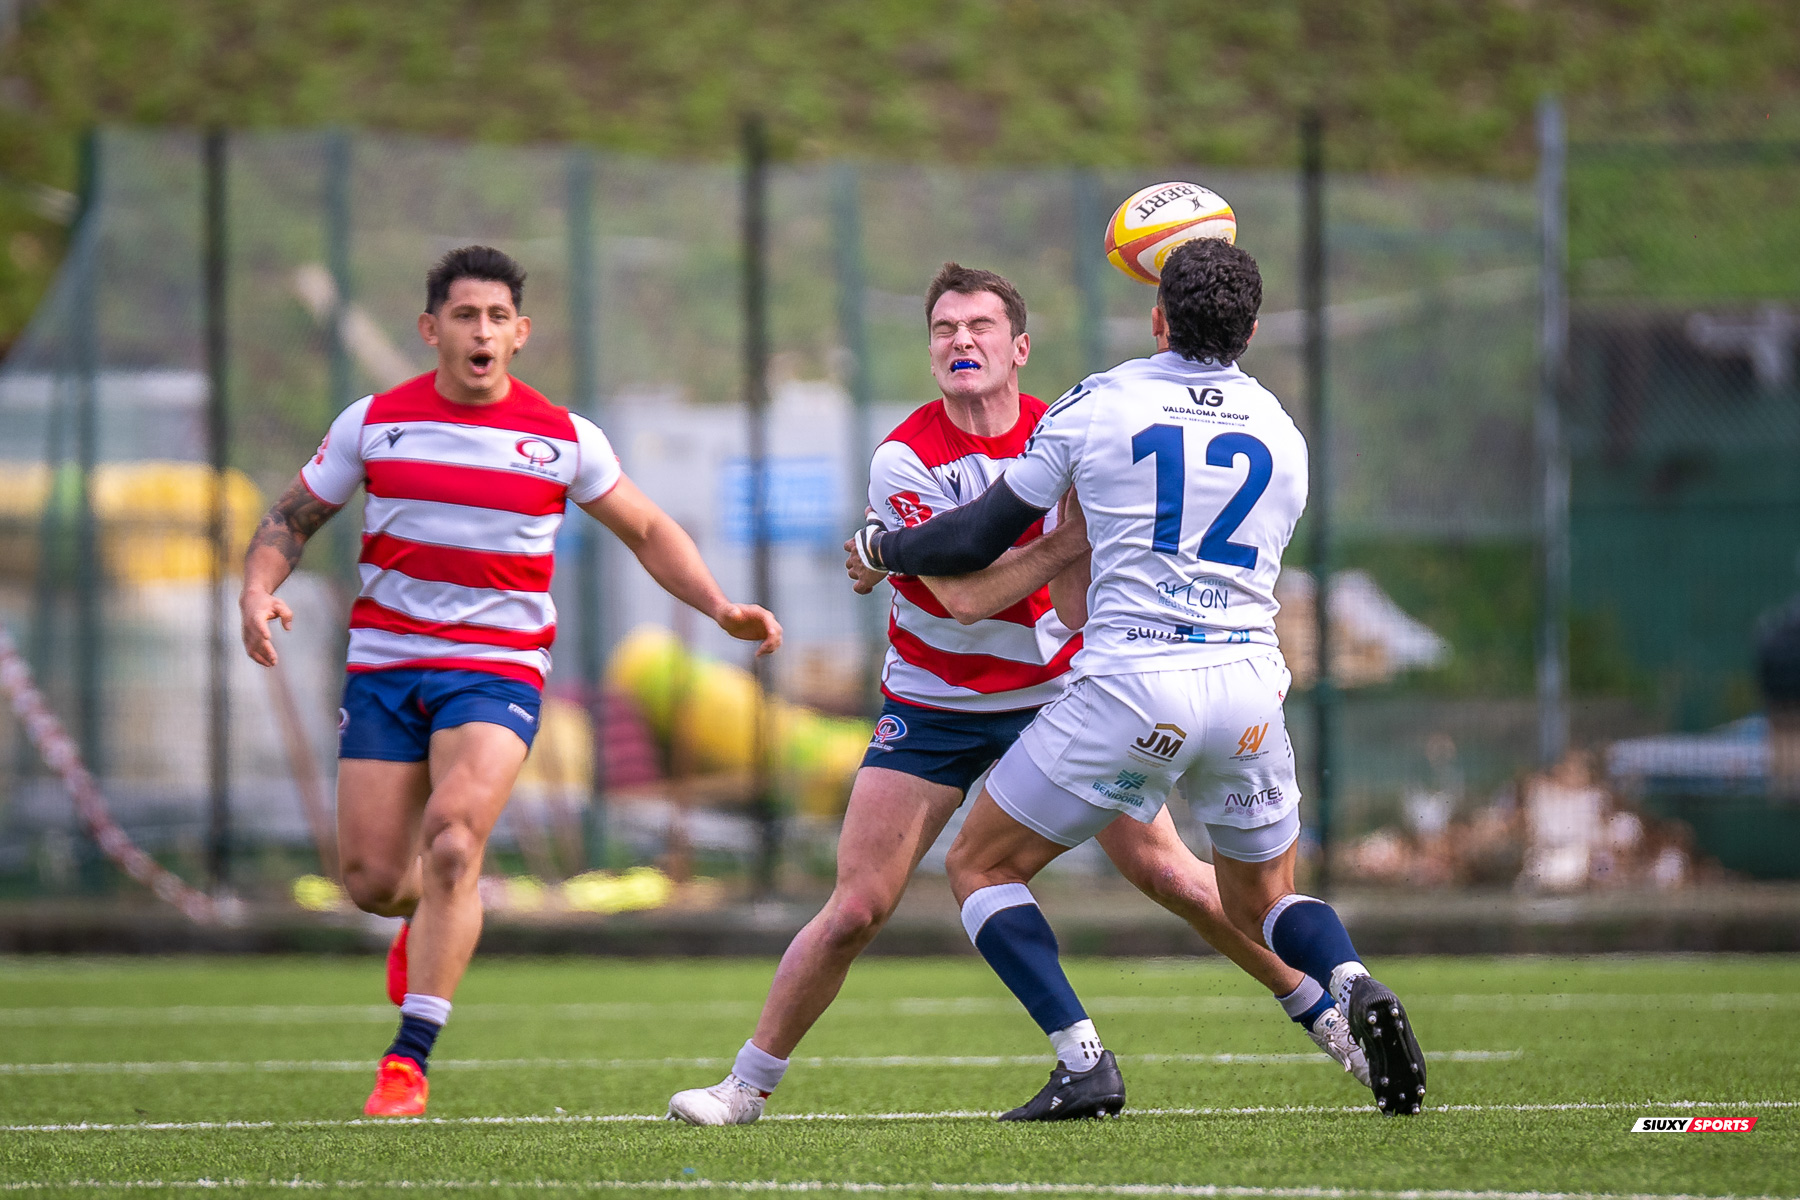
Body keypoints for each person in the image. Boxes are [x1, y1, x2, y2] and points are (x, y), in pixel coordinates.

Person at [667, 262, 1366, 1127]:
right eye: (944, 330)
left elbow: (1072, 601)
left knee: (1175, 877)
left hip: (1064, 694)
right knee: (856, 907)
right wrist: (1074, 535)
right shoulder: (906, 458)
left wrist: (1057, 546)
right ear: (931, 353)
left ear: (1019, 347)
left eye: (981, 327)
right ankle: (745, 1088)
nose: (962, 341)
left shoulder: (1069, 430)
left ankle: (1333, 1023)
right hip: (935, 701)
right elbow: (966, 596)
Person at [849, 239, 1428, 1120]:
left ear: (1157, 319)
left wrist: (878, 547)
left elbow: (969, 545)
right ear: (1253, 330)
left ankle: (1081, 1057)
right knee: (1262, 897)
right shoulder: (1282, 429)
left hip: (1134, 686)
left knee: (979, 862)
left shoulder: (1097, 405)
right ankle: (1348, 981)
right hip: (1246, 689)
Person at [239, 245, 780, 1118]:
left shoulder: (562, 439)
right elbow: (294, 515)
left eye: (496, 317)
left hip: (496, 671)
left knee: (455, 842)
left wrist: (720, 606)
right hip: (384, 667)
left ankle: (407, 1061)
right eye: (463, 315)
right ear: (432, 329)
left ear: (520, 333)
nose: (480, 331)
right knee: (376, 881)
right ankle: (422, 921)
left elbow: (646, 528)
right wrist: (258, 589)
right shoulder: (373, 423)